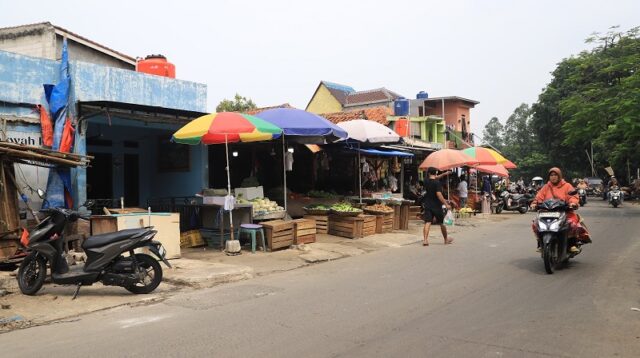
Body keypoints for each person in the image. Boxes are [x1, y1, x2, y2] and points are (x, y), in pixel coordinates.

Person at [530, 167, 592, 253]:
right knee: (536, 224)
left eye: (555, 175)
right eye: (551, 175)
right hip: (547, 212)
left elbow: (573, 197)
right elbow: (539, 197)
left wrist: (573, 203)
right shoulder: (546, 187)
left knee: (572, 223)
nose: (553, 177)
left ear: (559, 176)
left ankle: (572, 244)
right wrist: (534, 203)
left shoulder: (567, 186)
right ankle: (540, 243)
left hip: (564, 211)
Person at [419, 167, 454, 246]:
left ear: (428, 173)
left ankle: (425, 240)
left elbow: (434, 178)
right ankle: (446, 239)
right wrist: (446, 204)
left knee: (428, 222)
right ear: (436, 173)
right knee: (441, 223)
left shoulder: (426, 181)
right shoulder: (437, 183)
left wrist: (444, 174)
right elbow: (439, 195)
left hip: (428, 204)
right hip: (437, 205)